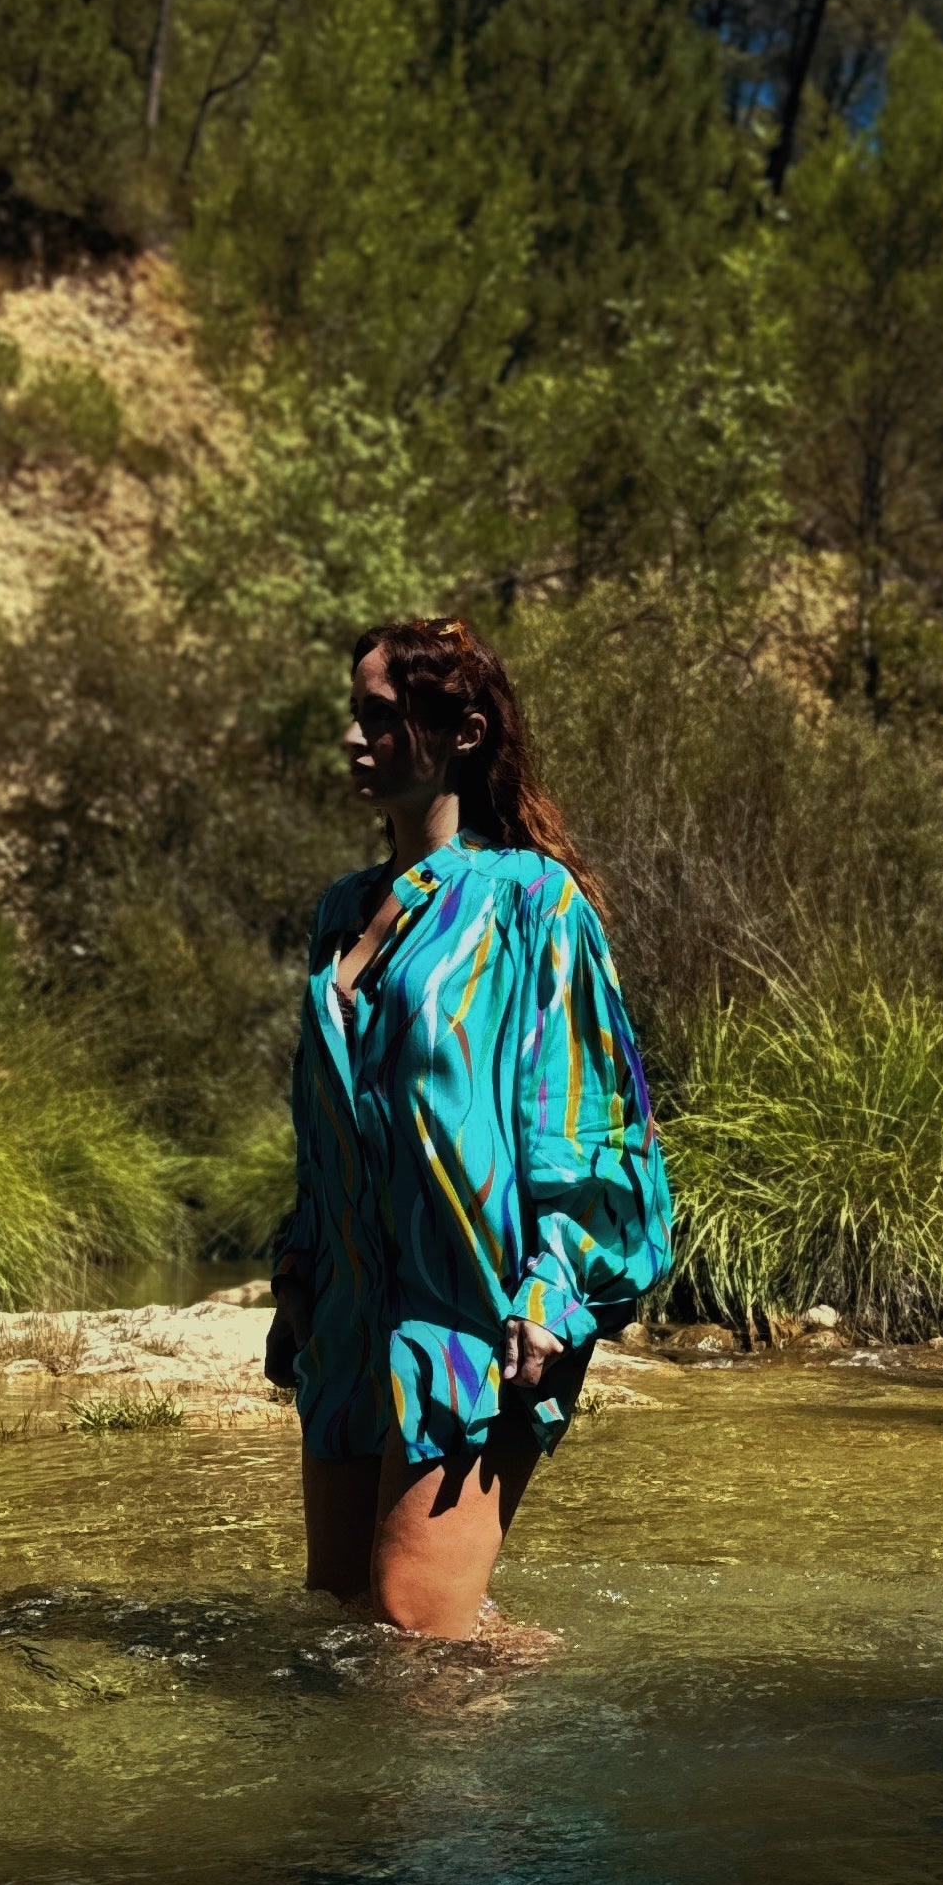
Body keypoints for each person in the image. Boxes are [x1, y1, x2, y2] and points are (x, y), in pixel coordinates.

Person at [266, 617, 674, 1639]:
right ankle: (395, 1796)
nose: (357, 740)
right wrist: (298, 1274)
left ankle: (536, 1780)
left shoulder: (534, 902)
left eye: (383, 718)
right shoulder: (339, 912)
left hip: (477, 1322)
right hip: (352, 1321)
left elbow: (591, 1115)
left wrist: (555, 1291)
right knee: (342, 1618)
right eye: (353, 717)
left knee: (416, 1625)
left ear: (464, 731)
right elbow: (323, 1124)